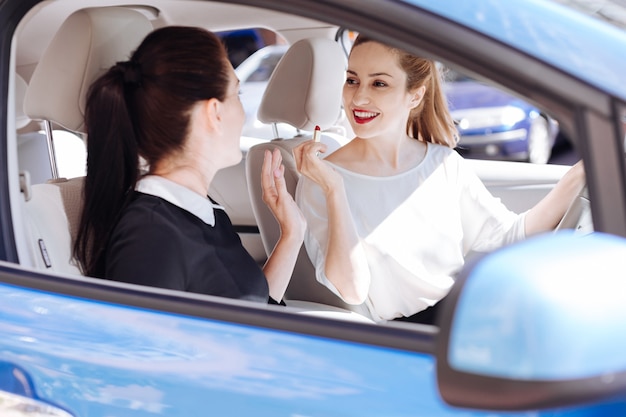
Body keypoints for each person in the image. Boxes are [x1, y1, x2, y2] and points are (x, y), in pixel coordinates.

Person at [293, 34, 585, 323]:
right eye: (352, 80)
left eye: (378, 83)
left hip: (465, 314)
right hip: (411, 338)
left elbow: (509, 236)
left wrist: (581, 174)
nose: (358, 97)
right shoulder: (322, 179)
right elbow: (351, 290)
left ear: (415, 95)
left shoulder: (442, 164)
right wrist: (334, 190)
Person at [74, 26, 305, 305]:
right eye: (237, 95)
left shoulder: (203, 210)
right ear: (213, 112)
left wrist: (292, 234)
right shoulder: (149, 237)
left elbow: (250, 307)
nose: (243, 112)